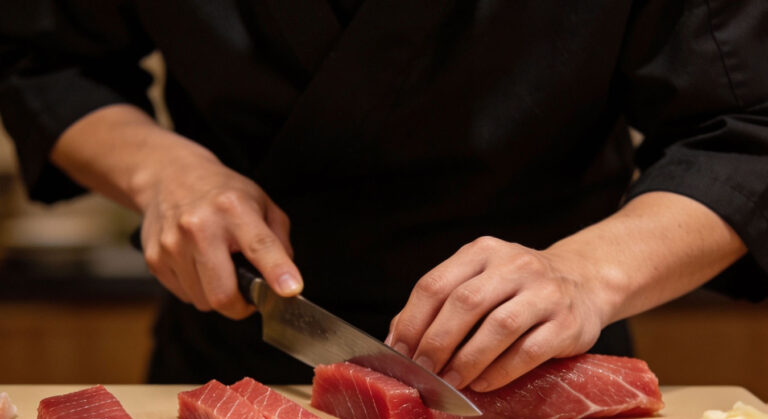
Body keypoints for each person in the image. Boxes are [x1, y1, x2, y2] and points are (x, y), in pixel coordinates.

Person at [1, 1, 767, 390]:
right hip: (242, 339)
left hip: (539, 363)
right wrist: (160, 169)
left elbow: (748, 129)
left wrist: (584, 275)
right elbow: (39, 60)